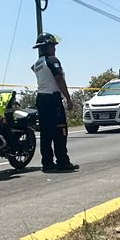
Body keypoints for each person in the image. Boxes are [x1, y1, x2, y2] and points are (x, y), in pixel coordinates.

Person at [31, 33, 78, 173]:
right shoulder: (52, 60)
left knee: (46, 133)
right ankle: (63, 161)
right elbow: (59, 79)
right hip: (52, 99)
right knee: (60, 131)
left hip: (41, 98)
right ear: (47, 46)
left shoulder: (36, 64)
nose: (54, 48)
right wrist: (68, 98)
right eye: (52, 45)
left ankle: (47, 163)